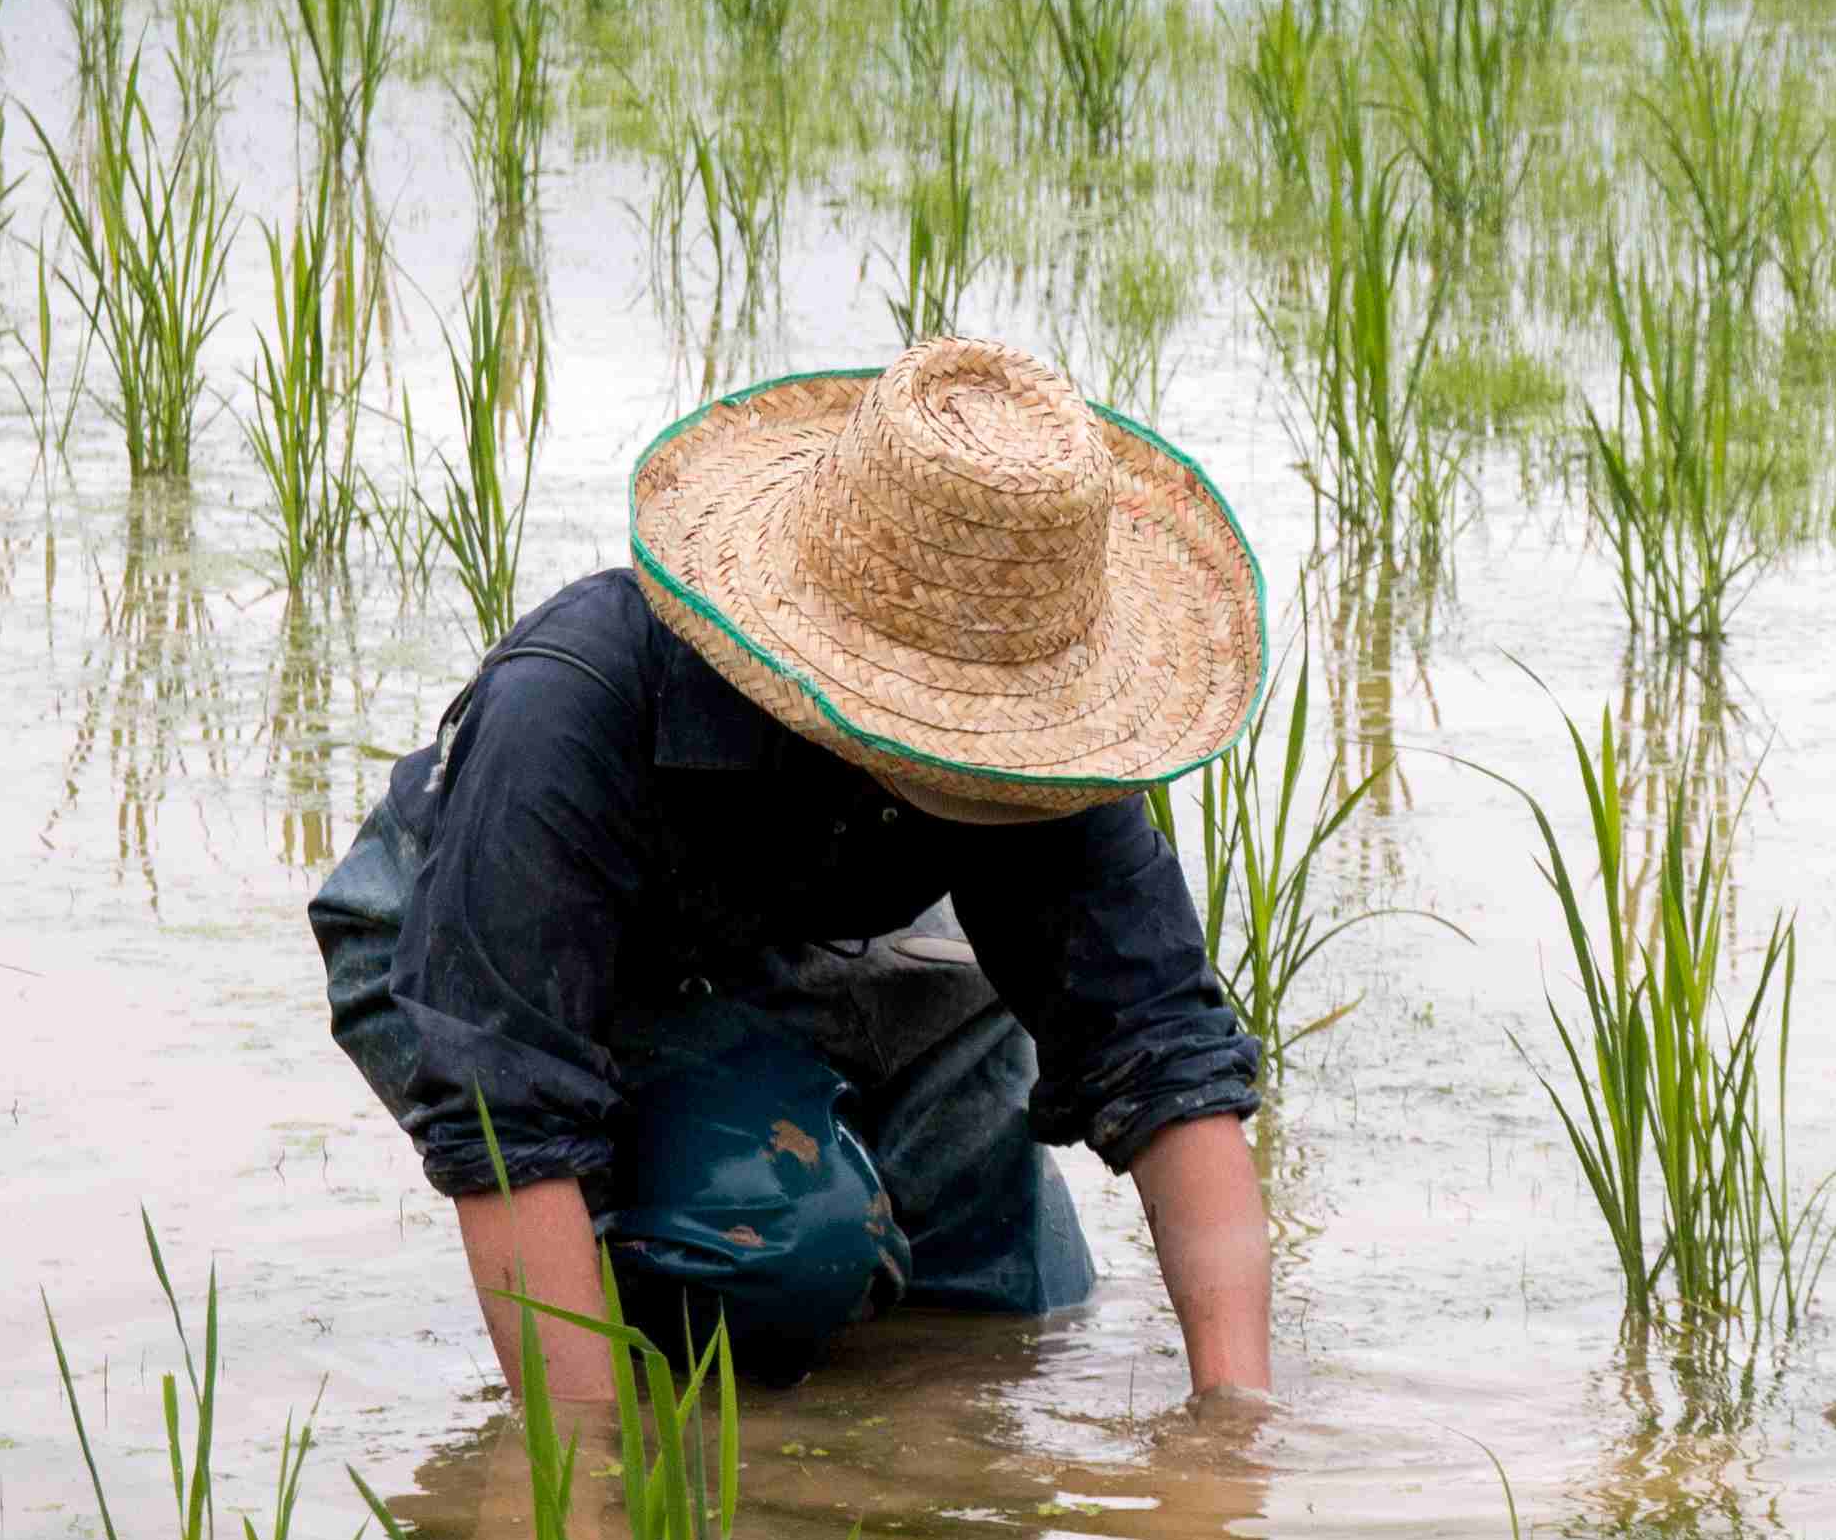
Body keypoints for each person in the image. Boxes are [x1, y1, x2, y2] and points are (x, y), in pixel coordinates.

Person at [312, 337, 1275, 1409]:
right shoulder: (570, 710)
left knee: (1018, 1297)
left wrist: (1233, 1442)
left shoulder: (1036, 719)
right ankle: (669, 1304)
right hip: (493, 940)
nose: (988, 771)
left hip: (823, 930)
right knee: (776, 1244)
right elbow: (507, 1120)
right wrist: (577, 1485)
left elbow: (1164, 1051)